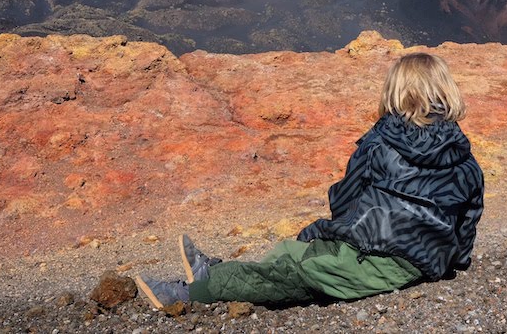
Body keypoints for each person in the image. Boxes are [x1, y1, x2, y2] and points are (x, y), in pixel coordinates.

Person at [135, 52, 484, 308]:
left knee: (294, 275)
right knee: (293, 250)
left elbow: (348, 197)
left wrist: (339, 230)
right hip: (418, 257)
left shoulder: (380, 143)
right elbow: (468, 218)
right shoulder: (465, 158)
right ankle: (216, 270)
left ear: (394, 92)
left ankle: (189, 293)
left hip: (384, 258)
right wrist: (454, 261)